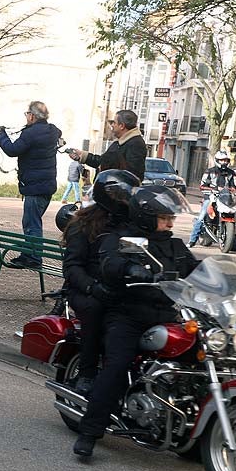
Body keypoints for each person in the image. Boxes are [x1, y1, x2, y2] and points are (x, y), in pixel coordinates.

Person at [72, 185, 197, 457]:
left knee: (197, 359)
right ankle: (89, 431)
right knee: (117, 364)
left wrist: (224, 283)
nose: (170, 222)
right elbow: (110, 262)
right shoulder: (124, 238)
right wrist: (130, 267)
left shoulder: (175, 244)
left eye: (171, 217)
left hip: (166, 315)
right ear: (146, 216)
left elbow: (195, 268)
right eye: (165, 217)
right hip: (127, 314)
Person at [60, 170, 141, 397]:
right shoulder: (83, 224)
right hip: (85, 290)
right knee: (95, 310)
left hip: (120, 288)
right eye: (123, 196)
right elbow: (72, 267)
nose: (127, 201)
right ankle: (86, 373)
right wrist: (92, 287)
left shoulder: (131, 224)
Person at [0, 101, 62, 268]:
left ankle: (33, 258)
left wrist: (1, 136)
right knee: (32, 222)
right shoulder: (52, 131)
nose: (26, 117)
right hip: (46, 185)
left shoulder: (31, 134)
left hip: (34, 186)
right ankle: (29, 254)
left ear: (32, 116)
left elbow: (12, 150)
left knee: (32, 223)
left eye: (26, 114)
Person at [67, 110, 147, 181]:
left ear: (122, 126)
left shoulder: (135, 144)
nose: (112, 125)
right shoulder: (118, 143)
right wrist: (82, 156)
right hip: (106, 193)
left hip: (117, 195)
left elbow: (134, 176)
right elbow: (103, 162)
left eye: (114, 122)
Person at [189, 149, 236, 249]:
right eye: (222, 160)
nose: (224, 162)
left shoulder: (231, 173)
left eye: (226, 160)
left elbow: (234, 185)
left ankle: (234, 244)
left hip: (225, 197)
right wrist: (214, 189)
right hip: (211, 197)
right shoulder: (210, 171)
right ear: (217, 160)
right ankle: (192, 240)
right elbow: (202, 186)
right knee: (201, 217)